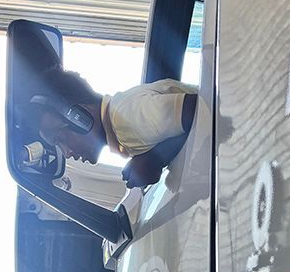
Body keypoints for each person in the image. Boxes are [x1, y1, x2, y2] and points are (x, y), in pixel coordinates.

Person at [30, 64, 198, 188]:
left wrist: (157, 158)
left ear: (78, 116)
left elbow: (203, 110)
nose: (66, 153)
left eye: (60, 138)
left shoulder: (126, 116)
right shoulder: (120, 127)